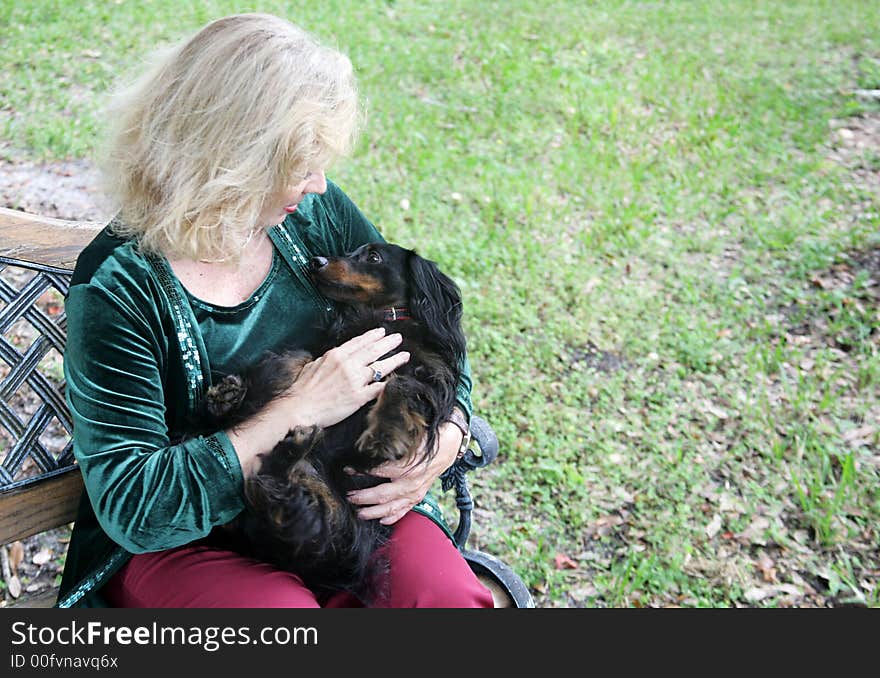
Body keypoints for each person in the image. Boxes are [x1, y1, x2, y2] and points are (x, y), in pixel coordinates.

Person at [56, 13, 493, 608]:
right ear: (232, 160)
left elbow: (434, 340)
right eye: (299, 165)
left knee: (439, 595)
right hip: (189, 538)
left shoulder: (314, 220)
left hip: (341, 508)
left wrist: (447, 435)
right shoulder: (120, 285)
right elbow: (136, 505)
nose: (318, 184)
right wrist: (296, 408)